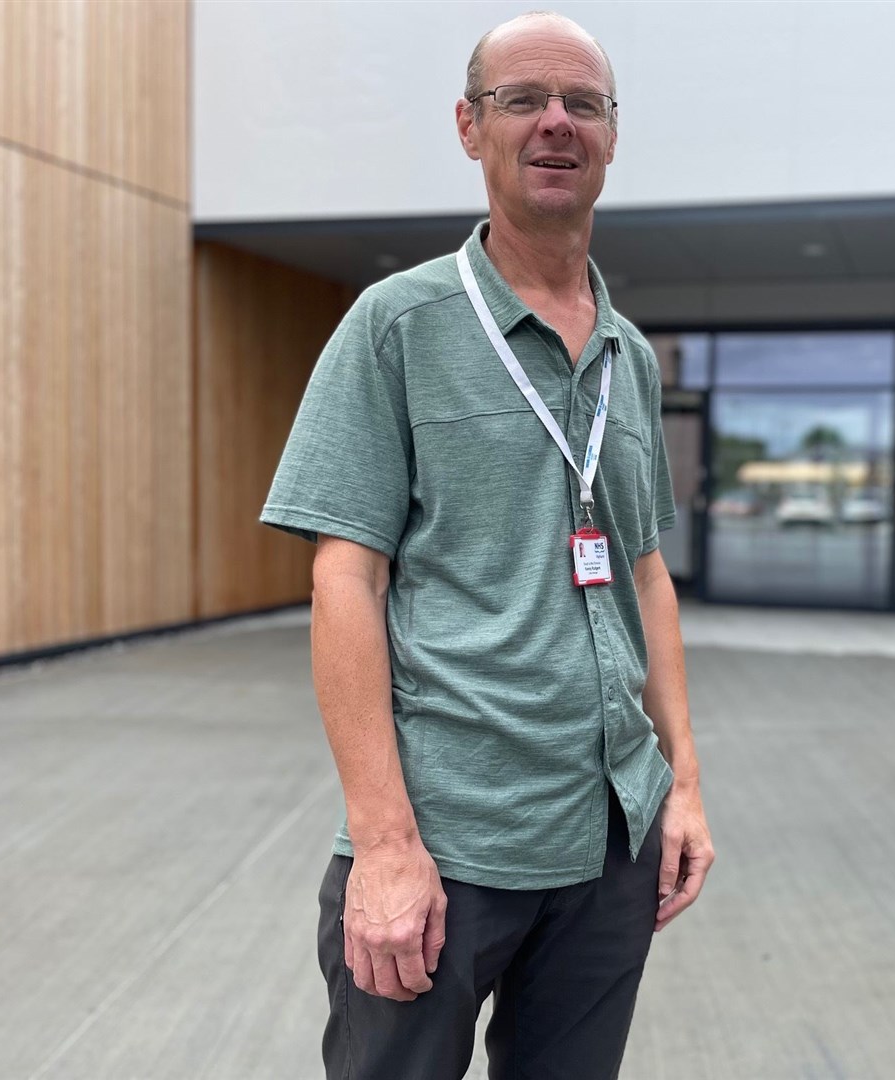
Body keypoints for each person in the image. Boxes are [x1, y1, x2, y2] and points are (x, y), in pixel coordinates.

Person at [260, 12, 713, 1079]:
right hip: (447, 844)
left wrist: (683, 785)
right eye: (523, 100)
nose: (556, 123)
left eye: (583, 103)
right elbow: (346, 577)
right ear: (471, 128)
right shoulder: (396, 326)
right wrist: (382, 845)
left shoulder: (628, 356)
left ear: (611, 133)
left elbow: (645, 575)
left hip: (610, 839)